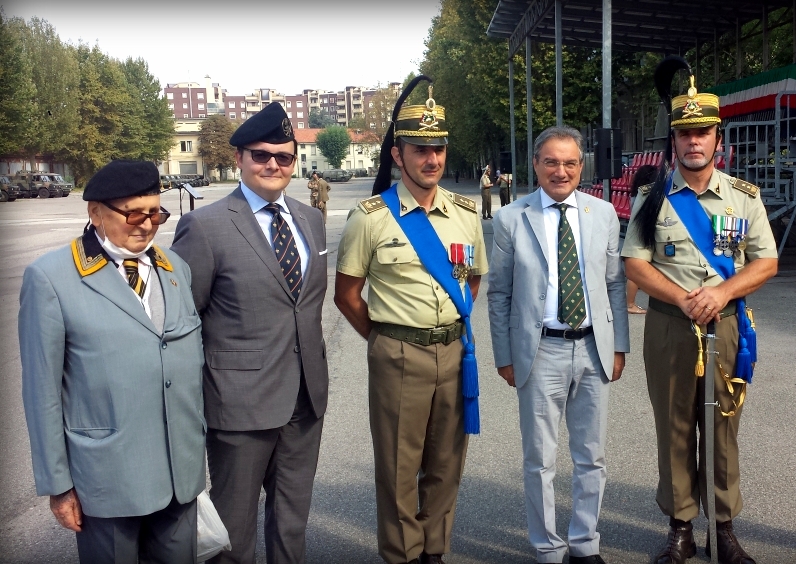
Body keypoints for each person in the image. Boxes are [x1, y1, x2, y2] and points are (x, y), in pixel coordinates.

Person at [622, 75, 778, 564]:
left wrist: (722, 292)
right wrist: (682, 298)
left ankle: (724, 529)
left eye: (703, 133)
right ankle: (681, 526)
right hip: (670, 325)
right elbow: (635, 262)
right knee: (673, 426)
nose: (694, 141)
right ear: (674, 141)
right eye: (685, 134)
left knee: (721, 428)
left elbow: (766, 261)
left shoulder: (743, 197)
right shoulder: (653, 198)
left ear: (717, 139)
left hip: (726, 325)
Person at [19, 160, 206, 563]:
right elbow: (42, 392)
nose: (147, 224)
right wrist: (58, 484)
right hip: (107, 481)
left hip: (179, 473)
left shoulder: (176, 270)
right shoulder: (51, 278)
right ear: (95, 212)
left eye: (156, 213)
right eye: (134, 214)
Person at [334, 79, 487, 564]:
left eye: (438, 149)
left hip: (454, 350)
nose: (432, 160)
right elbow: (346, 294)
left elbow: (471, 282)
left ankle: (434, 552)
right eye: (420, 150)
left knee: (446, 463)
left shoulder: (465, 213)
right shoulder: (371, 217)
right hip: (398, 352)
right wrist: (385, 337)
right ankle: (402, 554)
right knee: (400, 468)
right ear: (398, 155)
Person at [171, 101, 329, 564]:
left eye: (283, 156)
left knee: (292, 523)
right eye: (261, 155)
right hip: (239, 405)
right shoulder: (204, 227)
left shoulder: (310, 220)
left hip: (305, 399)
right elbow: (184, 323)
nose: (273, 165)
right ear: (239, 157)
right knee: (232, 532)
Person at [488, 125, 630, 564]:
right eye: (551, 161)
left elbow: (614, 284)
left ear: (581, 166)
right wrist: (505, 356)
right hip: (540, 351)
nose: (560, 170)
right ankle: (547, 548)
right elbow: (500, 293)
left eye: (570, 162)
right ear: (535, 165)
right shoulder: (512, 217)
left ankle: (585, 544)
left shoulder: (603, 213)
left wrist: (619, 345)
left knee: (591, 456)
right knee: (539, 459)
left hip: (592, 348)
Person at [626, 164, 659, 314]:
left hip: (638, 229)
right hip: (643, 231)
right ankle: (630, 303)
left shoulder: (635, 193)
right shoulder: (646, 195)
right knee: (637, 269)